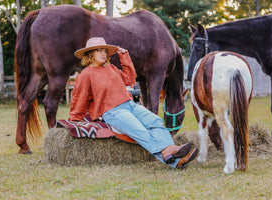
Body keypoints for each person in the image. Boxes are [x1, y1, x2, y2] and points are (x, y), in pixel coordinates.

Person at [69, 37, 198, 169]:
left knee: (155, 122)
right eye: (99, 51)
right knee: (140, 131)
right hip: (112, 111)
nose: (103, 53)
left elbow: (129, 79)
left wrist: (124, 56)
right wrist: (74, 120)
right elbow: (80, 99)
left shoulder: (111, 68)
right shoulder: (86, 75)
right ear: (90, 54)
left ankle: (172, 151)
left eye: (105, 51)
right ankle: (174, 158)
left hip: (130, 105)